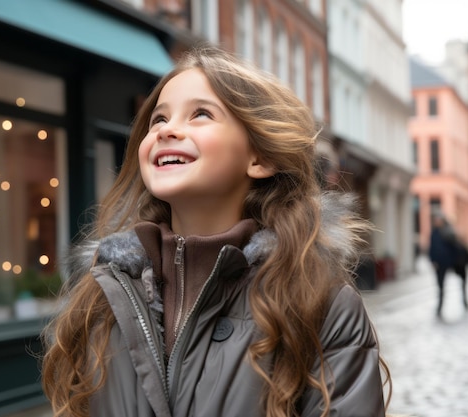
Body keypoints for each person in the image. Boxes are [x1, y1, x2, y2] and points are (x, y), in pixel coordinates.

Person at [40, 45, 390, 417]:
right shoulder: (101, 298)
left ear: (260, 157)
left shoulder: (320, 304)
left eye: (201, 114)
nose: (167, 130)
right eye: (158, 119)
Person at [428, 213, 463, 317]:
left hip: (448, 262)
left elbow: (455, 247)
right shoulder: (434, 233)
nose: (437, 222)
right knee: (440, 284)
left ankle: (464, 300)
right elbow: (432, 248)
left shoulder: (448, 232)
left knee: (460, 279)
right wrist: (432, 260)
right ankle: (440, 305)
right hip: (438, 263)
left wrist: (455, 260)